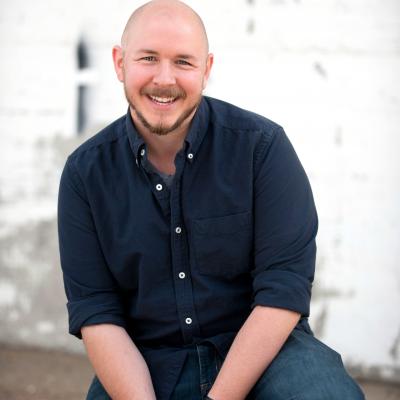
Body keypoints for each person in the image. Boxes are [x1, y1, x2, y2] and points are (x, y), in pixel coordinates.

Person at [57, 1, 365, 399]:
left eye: (183, 61)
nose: (164, 79)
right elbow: (97, 312)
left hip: (264, 353)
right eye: (148, 58)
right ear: (120, 63)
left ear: (206, 69)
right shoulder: (84, 174)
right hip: (147, 362)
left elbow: (283, 289)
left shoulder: (262, 149)